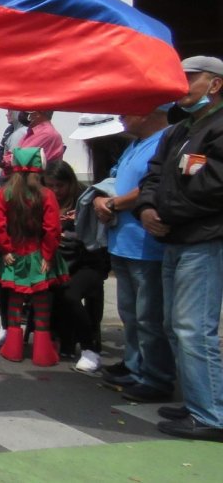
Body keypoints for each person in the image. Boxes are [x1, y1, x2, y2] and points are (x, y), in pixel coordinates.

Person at [136, 56, 223, 442]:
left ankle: (212, 414)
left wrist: (166, 212)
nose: (181, 84)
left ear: (215, 84)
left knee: (194, 329)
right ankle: (196, 402)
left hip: (202, 239)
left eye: (190, 78)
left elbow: (214, 186)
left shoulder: (218, 127)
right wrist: (147, 208)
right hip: (173, 239)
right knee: (175, 325)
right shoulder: (178, 130)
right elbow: (154, 175)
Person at [89, 107, 175, 397]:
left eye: (129, 111)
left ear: (150, 112)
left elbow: (153, 186)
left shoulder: (166, 140)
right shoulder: (135, 144)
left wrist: (113, 204)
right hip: (123, 241)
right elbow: (116, 180)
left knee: (149, 317)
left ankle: (156, 377)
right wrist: (102, 201)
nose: (122, 117)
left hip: (146, 245)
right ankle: (135, 364)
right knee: (131, 313)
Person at [0, 147, 68, 366]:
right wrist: (48, 255)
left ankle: (13, 347)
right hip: (39, 254)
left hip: (14, 254)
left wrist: (5, 249)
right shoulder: (46, 194)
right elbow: (53, 229)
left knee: (15, 299)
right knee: (41, 300)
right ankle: (42, 351)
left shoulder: (5, 193)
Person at [44, 160, 108, 372]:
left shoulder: (85, 200)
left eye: (60, 185)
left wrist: (73, 225)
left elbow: (96, 236)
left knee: (69, 293)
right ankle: (60, 337)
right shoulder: (45, 200)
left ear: (70, 182)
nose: (56, 191)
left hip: (87, 261)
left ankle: (89, 348)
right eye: (50, 185)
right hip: (59, 260)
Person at [0, 111, 28, 185]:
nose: (6, 114)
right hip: (7, 177)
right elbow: (1, 150)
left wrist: (1, 171)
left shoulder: (22, 132)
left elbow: (12, 160)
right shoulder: (10, 129)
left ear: (18, 112)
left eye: (9, 111)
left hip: (15, 180)